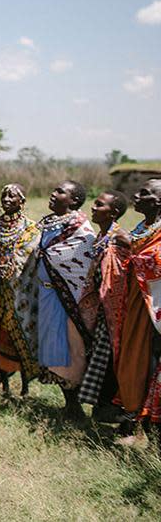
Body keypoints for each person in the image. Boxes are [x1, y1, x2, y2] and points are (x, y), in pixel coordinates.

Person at [36, 180, 95, 419]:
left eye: (60, 191)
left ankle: (77, 403)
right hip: (47, 294)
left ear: (74, 201)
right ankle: (69, 401)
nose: (53, 193)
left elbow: (83, 265)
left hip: (71, 298)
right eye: (54, 189)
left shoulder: (81, 228)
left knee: (73, 348)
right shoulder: (46, 223)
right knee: (55, 348)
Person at [77, 191, 129, 421]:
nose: (93, 207)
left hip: (115, 313)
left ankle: (117, 412)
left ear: (114, 212)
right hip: (101, 311)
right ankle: (103, 409)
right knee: (99, 357)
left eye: (99, 205)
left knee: (110, 360)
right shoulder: (102, 237)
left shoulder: (120, 239)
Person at [117, 180, 161, 440]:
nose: (136, 195)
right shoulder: (142, 227)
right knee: (136, 360)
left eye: (144, 193)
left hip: (155, 309)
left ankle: (150, 427)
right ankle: (133, 417)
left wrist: (129, 246)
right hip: (135, 305)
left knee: (153, 361)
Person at [0, 184, 42, 397]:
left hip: (21, 292)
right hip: (0, 291)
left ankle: (25, 386)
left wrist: (11, 265)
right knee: (1, 336)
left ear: (22, 201)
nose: (7, 199)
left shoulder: (30, 227)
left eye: (12, 196)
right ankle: (5, 386)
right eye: (4, 195)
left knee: (21, 334)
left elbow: (30, 254)